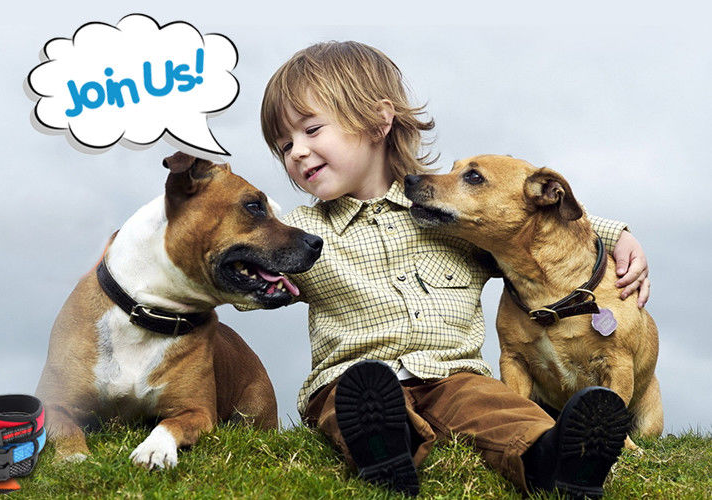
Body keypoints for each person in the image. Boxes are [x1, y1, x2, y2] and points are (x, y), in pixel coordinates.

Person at [256, 40, 651, 497]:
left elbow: (533, 231)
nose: (297, 152)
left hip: (453, 376)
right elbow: (239, 263)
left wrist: (615, 234)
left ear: (378, 121)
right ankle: (386, 452)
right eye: (285, 145)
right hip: (354, 377)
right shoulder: (297, 232)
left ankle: (554, 459)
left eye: (311, 130)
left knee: (499, 410)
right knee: (350, 402)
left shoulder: (455, 219)